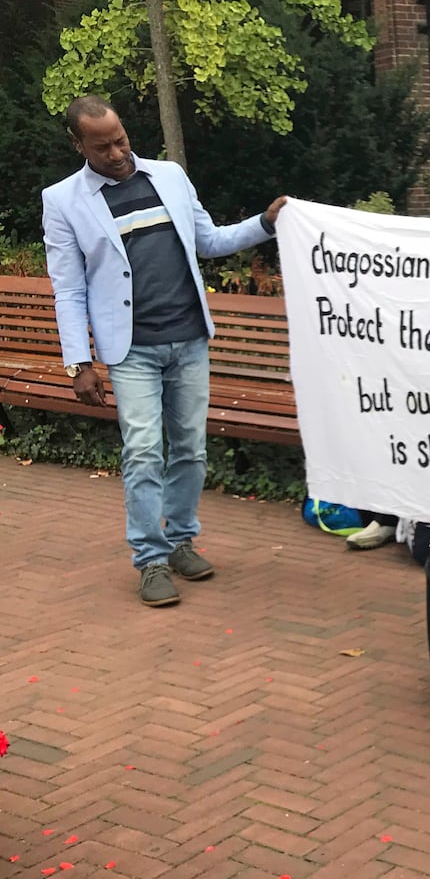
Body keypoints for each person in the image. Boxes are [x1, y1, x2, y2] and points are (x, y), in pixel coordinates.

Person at [42, 95, 287, 607]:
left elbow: (210, 241)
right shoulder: (63, 200)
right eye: (102, 146)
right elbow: (68, 288)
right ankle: (150, 560)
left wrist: (264, 224)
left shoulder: (169, 177)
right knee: (144, 452)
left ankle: (180, 541)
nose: (116, 153)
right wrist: (78, 362)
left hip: (189, 337)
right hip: (131, 349)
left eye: (121, 140)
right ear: (77, 143)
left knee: (191, 449)